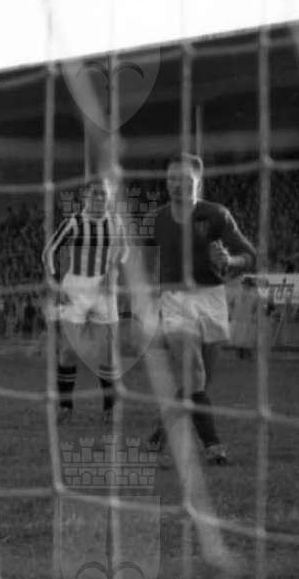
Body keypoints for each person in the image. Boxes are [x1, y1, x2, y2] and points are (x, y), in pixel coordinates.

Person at [142, 154, 257, 466]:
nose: (176, 184)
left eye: (184, 178)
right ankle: (213, 446)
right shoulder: (155, 220)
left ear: (198, 181)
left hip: (211, 299)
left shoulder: (216, 215)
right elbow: (144, 264)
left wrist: (230, 261)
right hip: (174, 300)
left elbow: (249, 255)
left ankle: (160, 433)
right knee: (194, 372)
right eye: (171, 178)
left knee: (198, 383)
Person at [43, 174, 130, 423]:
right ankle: (65, 407)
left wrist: (113, 272)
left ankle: (109, 408)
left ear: (109, 197)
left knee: (107, 353)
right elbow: (49, 252)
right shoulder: (74, 222)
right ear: (85, 197)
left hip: (104, 292)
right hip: (75, 290)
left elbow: (124, 251)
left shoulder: (115, 223)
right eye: (95, 193)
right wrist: (54, 282)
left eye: (103, 194)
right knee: (68, 351)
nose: (99, 198)